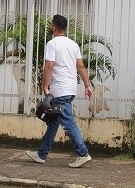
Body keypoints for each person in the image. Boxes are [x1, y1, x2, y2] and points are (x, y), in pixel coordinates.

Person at [26, 14, 94, 167]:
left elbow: (49, 66)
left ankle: (82, 153)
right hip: (70, 88)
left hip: (60, 89)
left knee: (68, 123)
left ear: (54, 27)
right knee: (53, 122)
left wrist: (45, 86)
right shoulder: (73, 45)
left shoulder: (52, 44)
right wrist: (87, 85)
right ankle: (41, 154)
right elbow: (81, 67)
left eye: (51, 25)